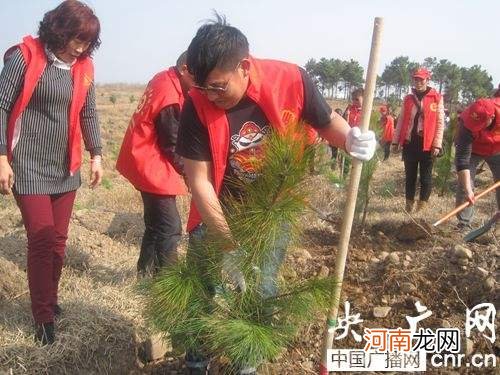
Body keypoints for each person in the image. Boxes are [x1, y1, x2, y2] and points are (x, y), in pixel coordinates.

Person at [175, 15, 376, 375]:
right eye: (203, 87)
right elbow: (200, 182)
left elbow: (326, 122)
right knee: (201, 287)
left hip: (271, 208)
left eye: (219, 87)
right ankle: (196, 363)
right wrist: (229, 246)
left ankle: (245, 363)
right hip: (216, 207)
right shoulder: (196, 103)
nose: (210, 97)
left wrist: (350, 139)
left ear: (245, 67)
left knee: (261, 287)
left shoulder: (291, 81)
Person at [0, 0, 102, 345]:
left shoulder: (83, 67)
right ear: (59, 30)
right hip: (27, 164)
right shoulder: (25, 57)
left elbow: (89, 112)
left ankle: (51, 299)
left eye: (88, 42)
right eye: (77, 39)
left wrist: (96, 154)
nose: (82, 47)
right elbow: (0, 108)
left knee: (59, 242)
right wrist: (1, 157)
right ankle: (43, 318)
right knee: (42, 241)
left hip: (64, 165)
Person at [116, 52, 194, 277]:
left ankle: (145, 273)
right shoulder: (169, 97)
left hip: (139, 156)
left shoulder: (163, 77)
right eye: (197, 78)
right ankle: (167, 284)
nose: (198, 86)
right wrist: (191, 175)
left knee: (155, 224)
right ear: (185, 69)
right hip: (150, 163)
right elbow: (172, 146)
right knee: (170, 227)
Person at [392, 67, 444, 212]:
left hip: (427, 143)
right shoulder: (408, 99)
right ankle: (409, 206)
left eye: (421, 79)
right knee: (410, 177)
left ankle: (421, 207)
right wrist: (396, 141)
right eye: (416, 79)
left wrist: (437, 144)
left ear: (427, 80)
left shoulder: (436, 98)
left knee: (426, 177)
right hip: (410, 143)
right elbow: (401, 120)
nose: (418, 82)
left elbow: (440, 123)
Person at [455, 97, 500, 229]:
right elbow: (462, 160)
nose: (475, 128)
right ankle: (464, 223)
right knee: (466, 184)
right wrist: (469, 190)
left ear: (491, 118)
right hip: (473, 150)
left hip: (497, 149)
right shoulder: (466, 123)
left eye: (480, 125)